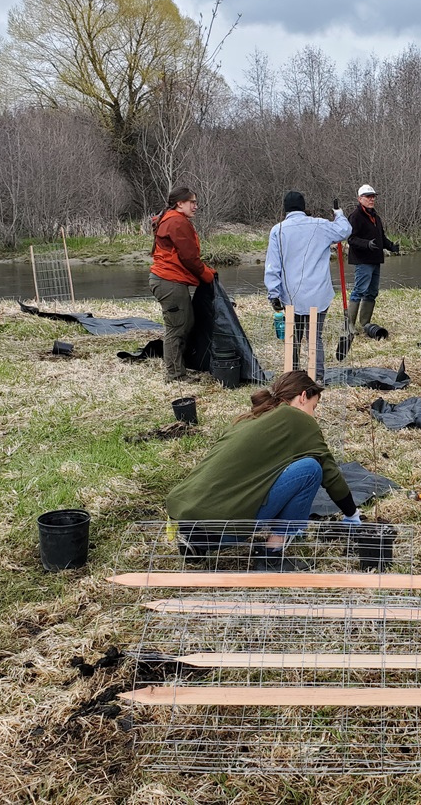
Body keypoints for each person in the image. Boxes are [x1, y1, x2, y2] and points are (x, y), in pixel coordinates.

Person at [165, 370, 360, 571]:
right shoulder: (298, 420)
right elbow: (330, 472)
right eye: (314, 407)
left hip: (184, 514)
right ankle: (271, 555)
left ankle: (195, 543)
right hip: (223, 529)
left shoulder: (252, 417)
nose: (313, 414)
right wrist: (352, 514)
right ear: (303, 397)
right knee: (311, 469)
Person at [265, 190, 352, 380]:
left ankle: (292, 376)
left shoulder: (278, 231)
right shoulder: (320, 225)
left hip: (290, 296)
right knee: (314, 337)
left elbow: (273, 266)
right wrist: (338, 214)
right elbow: (345, 230)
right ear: (304, 208)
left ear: (285, 210)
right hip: (318, 295)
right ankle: (318, 376)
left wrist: (274, 294)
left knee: (293, 338)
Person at [149, 186, 216, 382]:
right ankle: (175, 375)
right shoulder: (177, 222)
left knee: (183, 323)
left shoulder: (171, 219)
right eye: (192, 202)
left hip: (168, 280)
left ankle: (179, 368)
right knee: (177, 328)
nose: (196, 206)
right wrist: (207, 275)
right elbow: (189, 258)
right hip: (168, 281)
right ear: (180, 203)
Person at [347, 183, 399, 332]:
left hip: (375, 260)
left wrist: (391, 246)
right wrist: (366, 244)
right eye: (368, 197)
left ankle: (365, 323)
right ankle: (350, 324)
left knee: (372, 292)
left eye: (373, 197)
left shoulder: (376, 217)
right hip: (362, 260)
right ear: (360, 199)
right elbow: (351, 239)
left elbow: (381, 238)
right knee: (359, 290)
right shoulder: (355, 216)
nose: (372, 199)